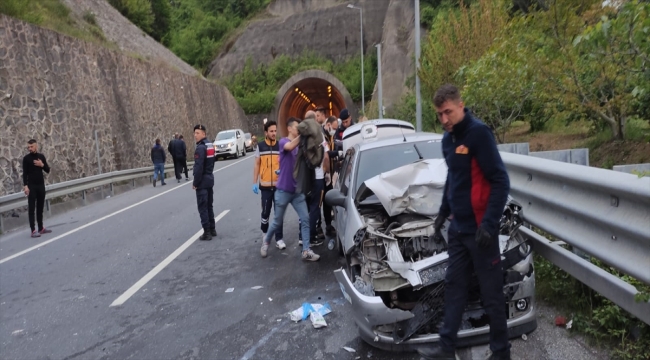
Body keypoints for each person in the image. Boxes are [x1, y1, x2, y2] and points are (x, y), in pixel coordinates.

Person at [418, 84, 511, 360]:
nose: (444, 119)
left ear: (461, 105)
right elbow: (454, 180)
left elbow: (500, 180)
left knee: (491, 295)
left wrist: (490, 225)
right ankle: (446, 348)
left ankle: (501, 353)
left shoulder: (478, 134)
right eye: (439, 115)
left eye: (447, 112)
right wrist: (442, 214)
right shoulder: (448, 140)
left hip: (481, 231)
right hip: (458, 230)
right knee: (454, 288)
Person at [260, 117, 320, 262]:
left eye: (300, 128)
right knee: (277, 221)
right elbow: (290, 147)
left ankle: (306, 250)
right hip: (283, 190)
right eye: (296, 127)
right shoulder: (283, 142)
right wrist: (304, 134)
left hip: (297, 191)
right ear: (289, 129)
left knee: (305, 219)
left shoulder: (301, 145)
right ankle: (266, 241)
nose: (298, 129)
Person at [252, 120, 285, 250]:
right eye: (271, 131)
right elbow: (256, 165)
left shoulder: (280, 146)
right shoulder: (260, 146)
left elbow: (284, 163)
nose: (274, 133)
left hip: (278, 186)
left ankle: (279, 238)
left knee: (278, 213)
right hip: (265, 187)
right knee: (265, 212)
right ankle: (265, 234)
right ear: (266, 132)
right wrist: (254, 182)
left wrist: (282, 171)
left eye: (275, 131)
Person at [22, 139, 52, 238]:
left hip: (40, 185)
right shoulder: (26, 159)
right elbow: (24, 174)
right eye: (28, 147)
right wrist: (25, 186)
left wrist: (42, 165)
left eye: (31, 146)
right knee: (32, 208)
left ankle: (41, 228)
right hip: (31, 187)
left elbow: (47, 170)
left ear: (36, 146)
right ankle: (33, 230)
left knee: (40, 208)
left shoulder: (41, 157)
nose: (30, 148)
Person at [192, 124, 216, 240]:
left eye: (197, 133)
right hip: (210, 178)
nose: (195, 135)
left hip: (202, 181)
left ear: (204, 134)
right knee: (209, 205)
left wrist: (195, 182)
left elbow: (198, 167)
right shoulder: (210, 145)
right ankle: (212, 229)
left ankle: (207, 232)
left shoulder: (200, 148)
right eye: (195, 133)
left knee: (203, 207)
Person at [322, 116, 339, 236]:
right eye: (333, 128)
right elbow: (326, 155)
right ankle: (327, 226)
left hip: (331, 172)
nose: (334, 130)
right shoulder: (322, 136)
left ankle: (329, 224)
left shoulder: (330, 135)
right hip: (324, 174)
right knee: (325, 200)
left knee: (329, 199)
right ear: (328, 125)